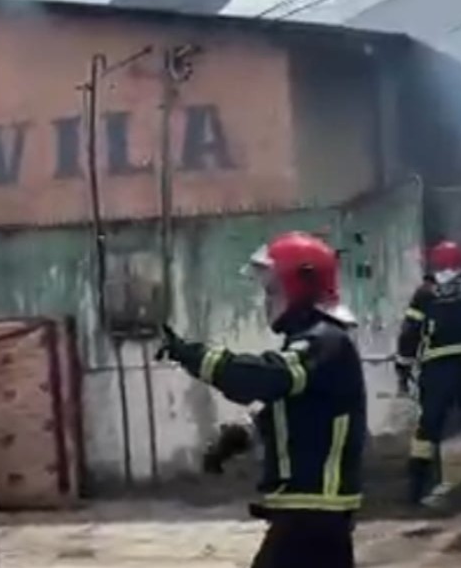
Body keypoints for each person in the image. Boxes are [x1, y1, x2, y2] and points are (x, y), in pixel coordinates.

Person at [156, 231, 366, 568]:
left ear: (302, 285)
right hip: (313, 513)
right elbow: (295, 411)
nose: (267, 301)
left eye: (272, 290)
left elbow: (263, 377)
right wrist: (241, 437)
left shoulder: (324, 341)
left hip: (314, 513)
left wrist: (191, 354)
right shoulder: (317, 342)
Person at [395, 241, 461, 506]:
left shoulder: (425, 292)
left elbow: (410, 331)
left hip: (437, 369)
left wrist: (403, 365)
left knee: (428, 428)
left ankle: (416, 489)